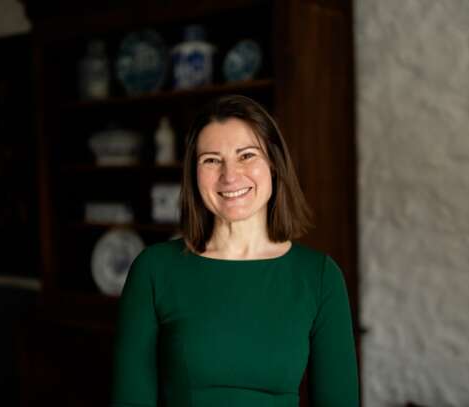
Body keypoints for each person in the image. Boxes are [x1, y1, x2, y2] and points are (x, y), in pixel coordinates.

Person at [111, 95, 359, 407]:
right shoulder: (154, 269)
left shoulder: (319, 277)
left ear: (274, 164)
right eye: (211, 160)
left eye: (246, 155)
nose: (229, 175)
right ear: (193, 174)